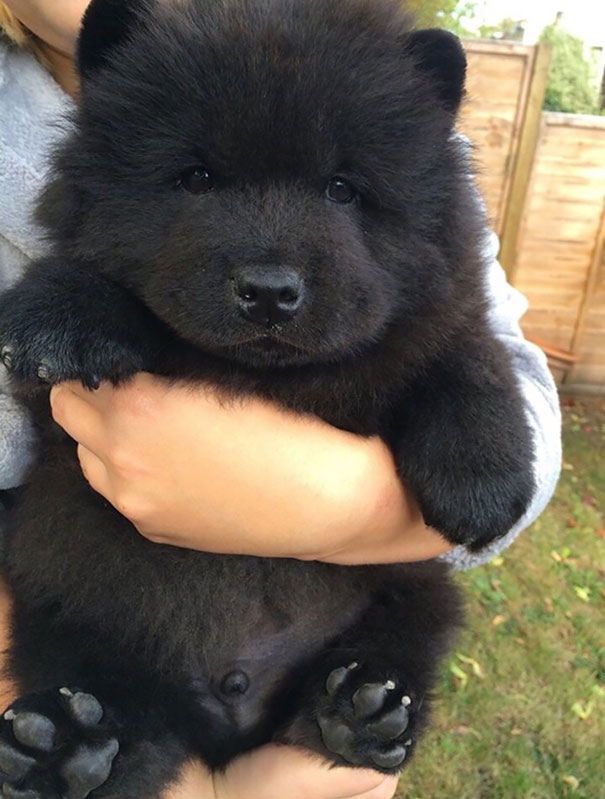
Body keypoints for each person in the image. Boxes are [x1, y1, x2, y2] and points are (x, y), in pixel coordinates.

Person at [0, 1, 562, 797]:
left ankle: (342, 710)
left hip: (330, 648)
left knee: (403, 622)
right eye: (199, 180)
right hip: (114, 634)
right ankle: (104, 742)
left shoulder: (367, 73)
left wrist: (392, 479)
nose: (272, 267)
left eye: (341, 190)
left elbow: (477, 380)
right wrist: (73, 307)